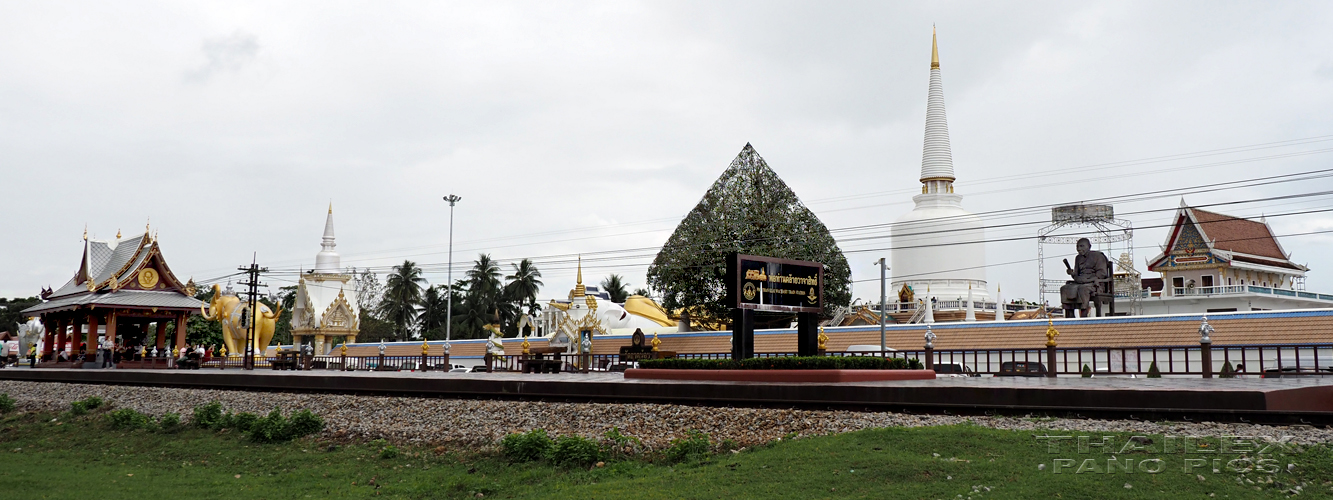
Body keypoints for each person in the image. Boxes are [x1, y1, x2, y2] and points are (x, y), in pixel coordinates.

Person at [1059, 237, 1111, 317]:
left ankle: (1083, 313)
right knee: (1065, 288)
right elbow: (1076, 275)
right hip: (1080, 282)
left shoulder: (1098, 256)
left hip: (1094, 284)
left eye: (1082, 246)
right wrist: (1072, 273)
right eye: (1077, 246)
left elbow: (1102, 273)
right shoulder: (1078, 258)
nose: (1079, 249)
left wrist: (1088, 280)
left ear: (1089, 246)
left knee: (1083, 289)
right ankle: (1070, 314)